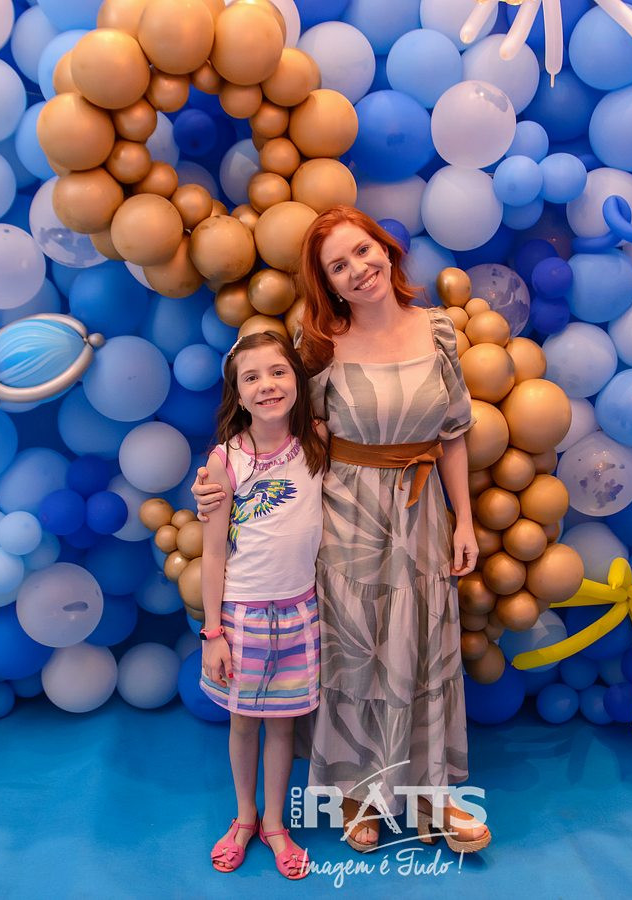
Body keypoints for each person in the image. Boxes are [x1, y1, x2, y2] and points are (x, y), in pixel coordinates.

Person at [195, 206, 491, 854]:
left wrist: (464, 520)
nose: (357, 269)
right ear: (326, 283)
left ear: (386, 249)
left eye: (363, 251)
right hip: (346, 518)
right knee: (356, 658)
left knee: (423, 652)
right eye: (337, 266)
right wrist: (217, 482)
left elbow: (452, 434)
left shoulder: (438, 330)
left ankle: (431, 796)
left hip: (420, 515)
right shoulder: (320, 348)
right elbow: (281, 435)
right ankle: (359, 792)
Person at [198, 331, 326, 880]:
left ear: (296, 378)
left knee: (283, 726)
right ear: (237, 392)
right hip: (241, 617)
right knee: (244, 723)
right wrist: (213, 633)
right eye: (251, 377)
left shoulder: (318, 442)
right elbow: (211, 553)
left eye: (278, 372)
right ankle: (245, 817)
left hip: (299, 613)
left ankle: (275, 822)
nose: (267, 385)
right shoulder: (224, 460)